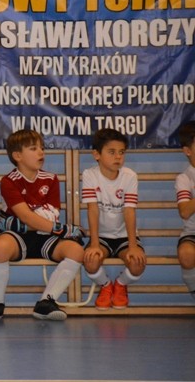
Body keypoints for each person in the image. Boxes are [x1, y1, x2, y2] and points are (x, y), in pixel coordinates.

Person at [0, 129, 85, 321]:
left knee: (76, 251)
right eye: (34, 148)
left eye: (42, 148)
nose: (41, 152)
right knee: (0, 247)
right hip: (19, 239)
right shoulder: (9, 181)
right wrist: (57, 227)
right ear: (17, 156)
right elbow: (27, 216)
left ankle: (46, 302)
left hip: (45, 237)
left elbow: (51, 214)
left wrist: (21, 223)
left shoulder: (51, 179)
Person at [82, 128, 146, 310]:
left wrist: (133, 246)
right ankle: (105, 285)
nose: (118, 157)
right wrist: (94, 244)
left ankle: (120, 284)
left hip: (125, 236)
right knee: (91, 261)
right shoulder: (89, 175)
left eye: (121, 152)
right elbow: (92, 210)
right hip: (102, 237)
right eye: (111, 152)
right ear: (97, 154)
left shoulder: (130, 176)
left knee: (137, 264)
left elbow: (129, 211)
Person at [175, 121, 195, 301]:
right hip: (192, 233)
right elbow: (185, 212)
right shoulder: (184, 178)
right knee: (186, 254)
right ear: (187, 151)